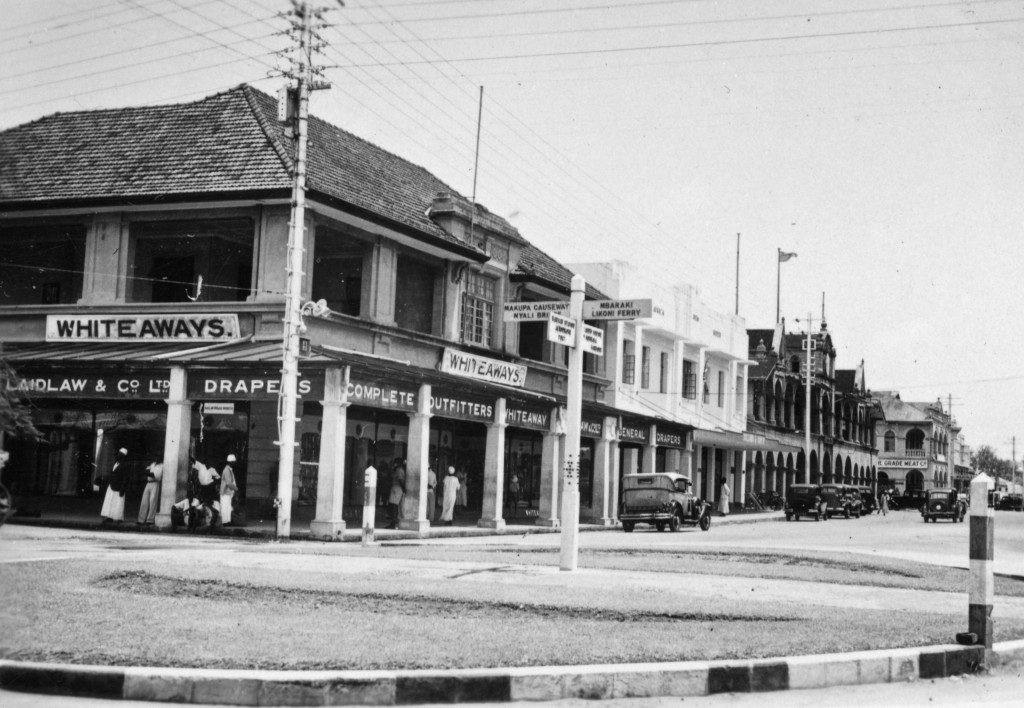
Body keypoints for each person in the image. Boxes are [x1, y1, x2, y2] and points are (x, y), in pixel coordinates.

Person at [100, 448, 128, 524]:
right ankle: (109, 517)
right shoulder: (116, 463)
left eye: (120, 454)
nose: (118, 455)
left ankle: (119, 518)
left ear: (123, 456)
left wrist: (123, 488)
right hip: (112, 485)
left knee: (118, 503)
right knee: (110, 502)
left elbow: (125, 478)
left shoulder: (125, 465)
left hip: (119, 487)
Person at [137, 458, 162, 525]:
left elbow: (155, 476)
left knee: (152, 501)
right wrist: (148, 472)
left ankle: (150, 520)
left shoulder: (162, 466)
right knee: (144, 501)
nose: (157, 458)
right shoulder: (153, 464)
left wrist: (148, 473)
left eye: (158, 456)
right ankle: (141, 520)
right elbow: (146, 470)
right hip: (148, 483)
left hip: (155, 483)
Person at [219, 454, 239, 526]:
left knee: (228, 508)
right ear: (230, 462)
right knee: (225, 508)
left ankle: (227, 522)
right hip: (225, 492)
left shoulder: (229, 470)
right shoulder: (227, 470)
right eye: (234, 462)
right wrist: (236, 489)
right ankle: (225, 522)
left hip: (228, 492)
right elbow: (229, 483)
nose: (235, 463)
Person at [387, 460, 405, 529]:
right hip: (397, 488)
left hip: (396, 488)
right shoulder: (399, 470)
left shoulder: (399, 470)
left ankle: (393, 523)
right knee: (394, 506)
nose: (394, 464)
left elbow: (400, 480)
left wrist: (403, 488)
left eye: (395, 463)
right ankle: (393, 522)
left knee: (394, 506)